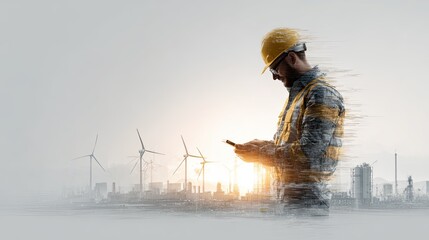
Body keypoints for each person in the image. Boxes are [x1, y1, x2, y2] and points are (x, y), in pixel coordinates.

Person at [234, 28, 345, 214]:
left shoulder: (321, 94)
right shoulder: (298, 97)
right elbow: (292, 146)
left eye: (274, 68)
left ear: (292, 58)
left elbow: (308, 154)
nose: (274, 76)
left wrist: (261, 153)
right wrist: (263, 145)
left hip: (308, 209)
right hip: (291, 207)